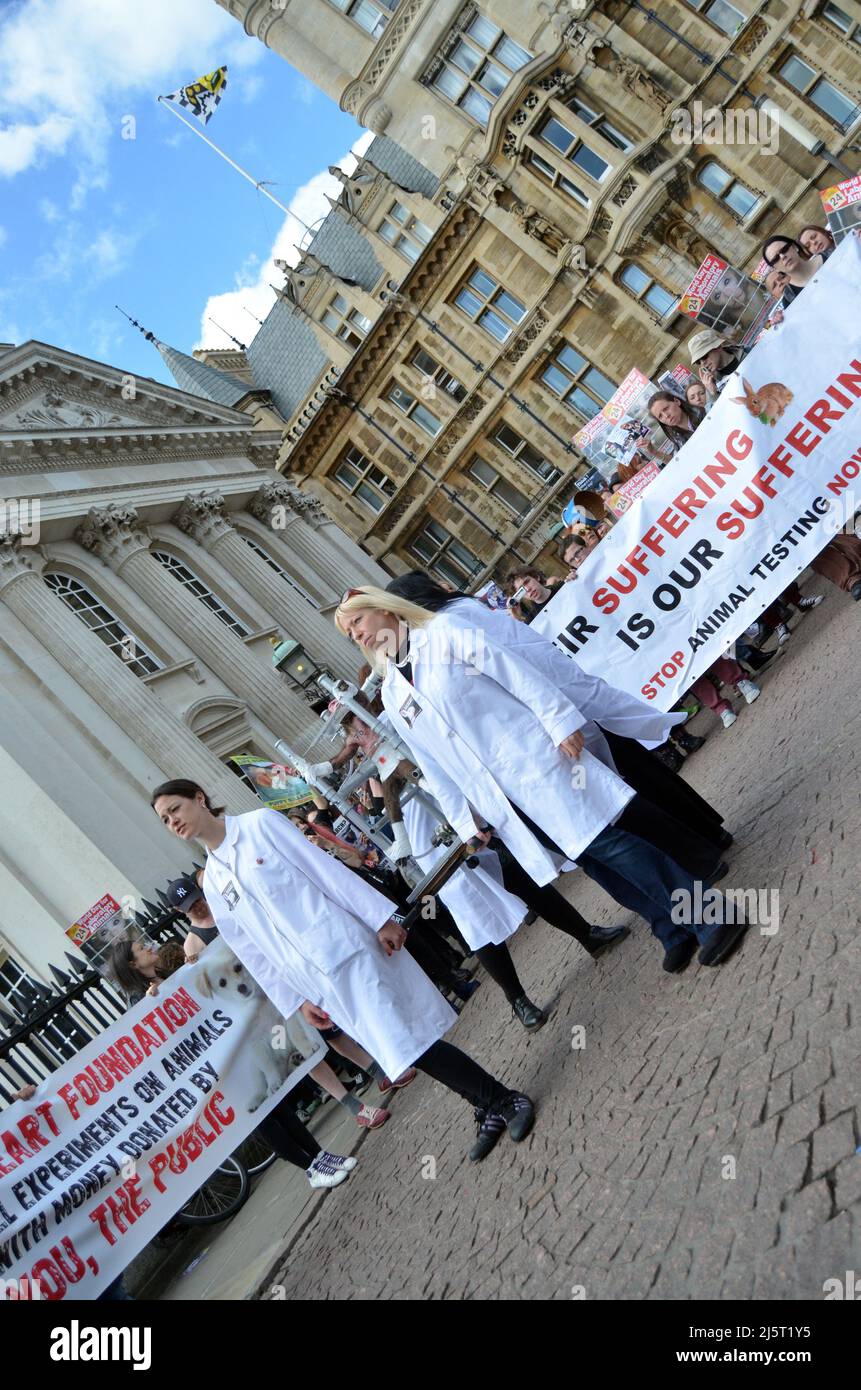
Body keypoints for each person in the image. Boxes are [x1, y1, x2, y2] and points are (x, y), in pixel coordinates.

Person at [336, 587, 748, 976]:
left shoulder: (443, 633)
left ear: (384, 608)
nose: (357, 634)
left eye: (357, 621)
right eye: (349, 633)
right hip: (502, 797)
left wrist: (559, 720)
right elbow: (434, 763)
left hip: (537, 759)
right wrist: (465, 821)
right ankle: (667, 924)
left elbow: (516, 673)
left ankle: (710, 915)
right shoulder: (392, 692)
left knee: (606, 842)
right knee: (589, 859)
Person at [151, 781, 536, 1162]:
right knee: (398, 1048)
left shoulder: (259, 826)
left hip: (345, 948)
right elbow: (252, 950)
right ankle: (486, 1102)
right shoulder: (215, 881)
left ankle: (502, 1099)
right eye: (165, 820)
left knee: (405, 1041)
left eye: (175, 809)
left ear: (200, 799)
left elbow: (323, 871)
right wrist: (296, 999)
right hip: (316, 981)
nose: (173, 821)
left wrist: (380, 917)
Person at [387, 571, 729, 872]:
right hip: (566, 705)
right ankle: (708, 836)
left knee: (634, 789)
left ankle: (704, 846)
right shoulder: (452, 620)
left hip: (562, 712)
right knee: (639, 779)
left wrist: (556, 717)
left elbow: (513, 666)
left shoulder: (451, 622)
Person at [108, 933, 360, 1188]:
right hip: (209, 1071)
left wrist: (192, 963)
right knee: (262, 1119)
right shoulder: (140, 1001)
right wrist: (154, 1003)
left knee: (277, 1106)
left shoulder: (168, 972)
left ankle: (320, 1156)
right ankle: (311, 1170)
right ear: (133, 964)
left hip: (227, 1054)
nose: (150, 948)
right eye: (141, 949)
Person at [761, 234, 823, 307]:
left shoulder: (828, 253)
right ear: (775, 268)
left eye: (784, 250)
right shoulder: (789, 299)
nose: (782, 256)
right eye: (776, 259)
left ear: (794, 247)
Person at [688, 328, 748, 399]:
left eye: (704, 356)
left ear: (718, 346)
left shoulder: (747, 351)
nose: (702, 363)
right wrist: (714, 393)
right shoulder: (712, 383)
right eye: (698, 362)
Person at [648, 391, 703, 455]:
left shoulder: (706, 410)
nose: (666, 416)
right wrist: (654, 452)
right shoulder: (678, 442)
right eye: (660, 416)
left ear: (677, 401)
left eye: (666, 409)